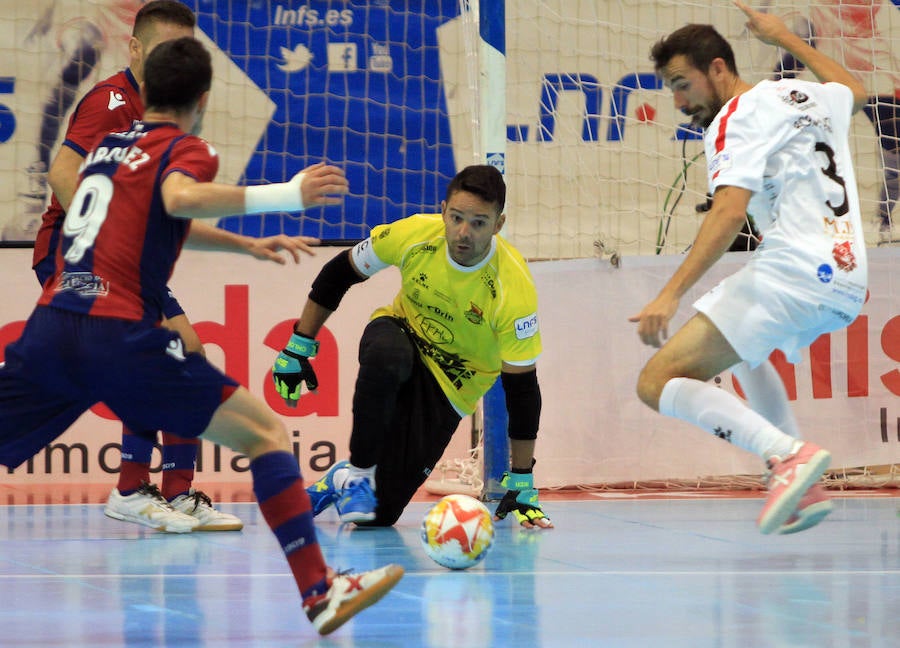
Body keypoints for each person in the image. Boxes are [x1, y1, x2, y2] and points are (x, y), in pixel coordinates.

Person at [0, 36, 402, 635]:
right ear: (204, 98)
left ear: (145, 90)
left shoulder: (110, 147)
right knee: (265, 432)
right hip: (119, 336)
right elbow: (178, 196)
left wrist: (245, 246)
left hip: (53, 324)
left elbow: (158, 215)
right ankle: (321, 592)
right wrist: (285, 196)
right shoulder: (187, 148)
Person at [33, 0, 316, 534]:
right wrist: (101, 237)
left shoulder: (165, 120)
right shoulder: (112, 100)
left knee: (186, 350)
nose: (176, 60)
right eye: (166, 49)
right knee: (156, 357)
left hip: (121, 261)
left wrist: (245, 245)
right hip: (71, 255)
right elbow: (62, 170)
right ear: (135, 48)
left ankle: (175, 493)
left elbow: (170, 208)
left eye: (186, 50)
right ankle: (131, 490)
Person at [629, 1, 868, 535]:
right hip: (848, 279)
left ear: (718, 68)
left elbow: (730, 212)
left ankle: (787, 456)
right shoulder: (796, 94)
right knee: (743, 351)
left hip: (796, 272)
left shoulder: (733, 120)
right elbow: (854, 92)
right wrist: (784, 37)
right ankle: (794, 480)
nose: (678, 101)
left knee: (655, 381)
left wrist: (668, 295)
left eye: (682, 83)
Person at [271, 164, 554, 530]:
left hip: (452, 386)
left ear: (499, 225)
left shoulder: (512, 288)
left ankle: (341, 478)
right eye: (456, 218)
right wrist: (297, 346)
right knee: (387, 359)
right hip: (400, 333)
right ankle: (358, 474)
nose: (463, 233)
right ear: (443, 210)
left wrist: (522, 479)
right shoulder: (416, 235)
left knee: (379, 515)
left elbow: (522, 389)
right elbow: (338, 273)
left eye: (479, 223)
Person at [769, 0, 900, 244]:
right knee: (810, 148)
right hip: (828, 70)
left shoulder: (880, 11)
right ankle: (801, 223)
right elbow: (799, 41)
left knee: (894, 152)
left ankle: (882, 220)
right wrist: (776, 84)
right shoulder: (814, 12)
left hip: (873, 71)